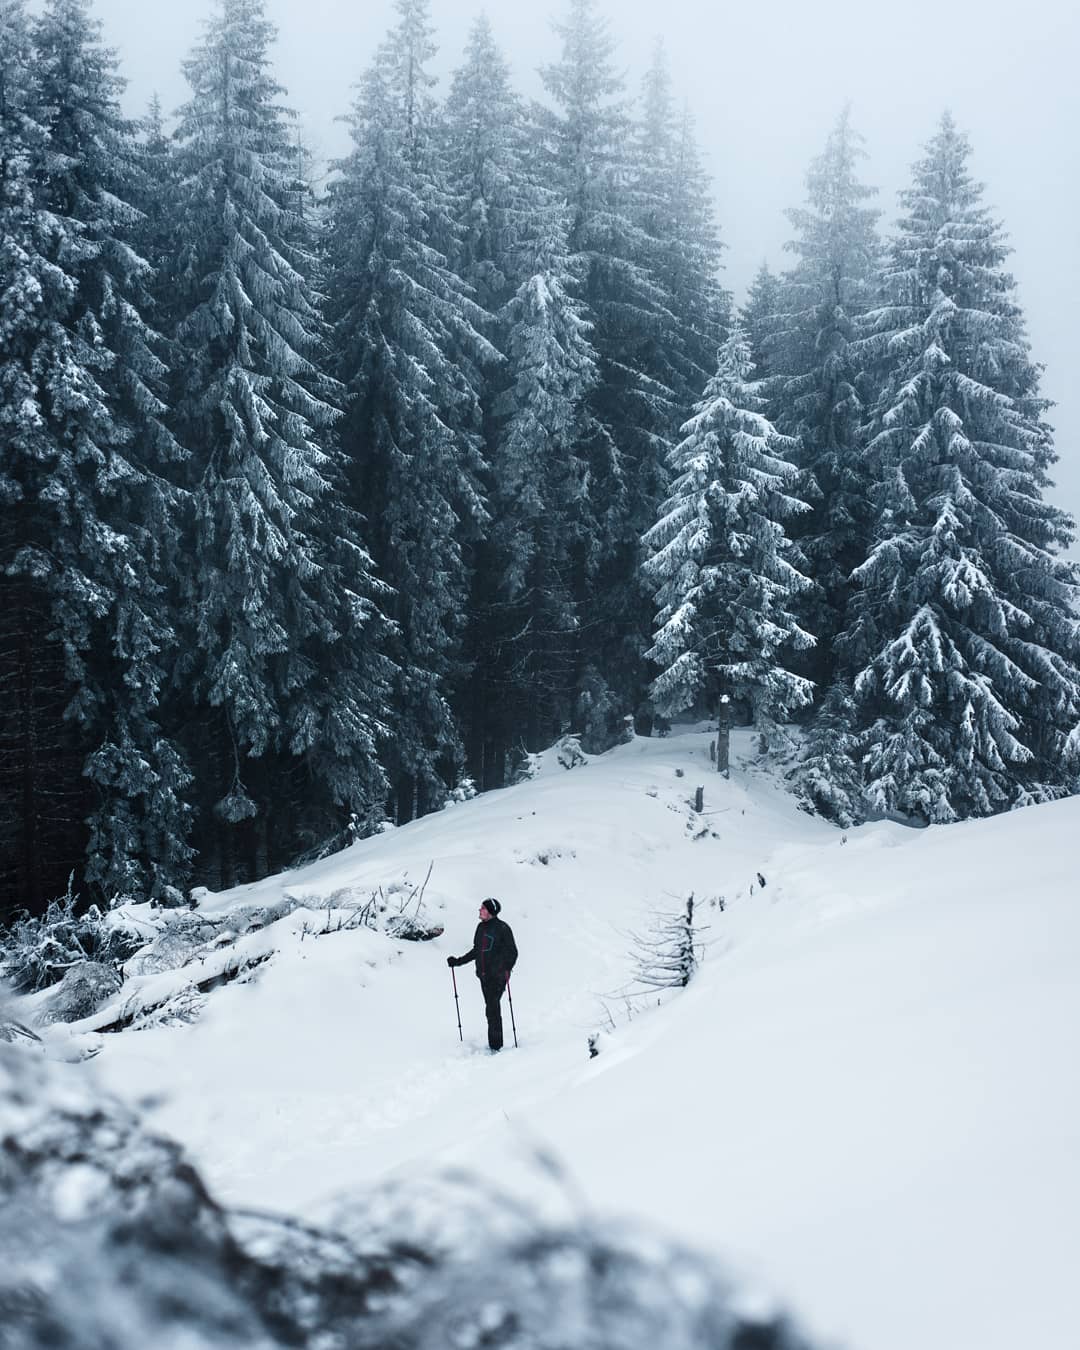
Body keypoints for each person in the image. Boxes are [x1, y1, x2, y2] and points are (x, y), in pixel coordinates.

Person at [447, 898, 518, 1051]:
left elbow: (513, 952)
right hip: (483, 976)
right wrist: (458, 961)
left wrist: (504, 969)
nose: (479, 910)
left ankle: (496, 1046)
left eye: (483, 908)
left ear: (490, 911)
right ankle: (495, 1045)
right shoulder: (481, 928)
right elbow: (476, 951)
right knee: (491, 1008)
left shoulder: (502, 928)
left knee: (492, 1009)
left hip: (498, 977)